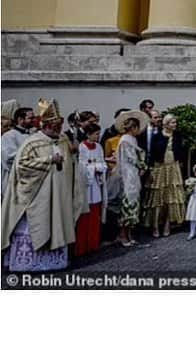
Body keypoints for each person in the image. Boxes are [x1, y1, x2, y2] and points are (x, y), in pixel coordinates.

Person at [2, 99, 83, 271]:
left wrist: (73, 151)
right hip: (38, 196)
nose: (58, 131)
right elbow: (21, 165)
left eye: (59, 127)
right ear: (45, 126)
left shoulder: (62, 140)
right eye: (54, 128)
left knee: (57, 223)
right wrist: (48, 160)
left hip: (60, 194)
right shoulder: (32, 142)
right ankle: (29, 263)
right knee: (38, 226)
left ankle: (55, 261)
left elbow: (71, 162)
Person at [109, 111, 148, 248]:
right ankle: (122, 234)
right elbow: (131, 158)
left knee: (133, 203)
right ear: (133, 128)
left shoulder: (132, 139)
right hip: (127, 174)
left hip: (133, 173)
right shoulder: (125, 140)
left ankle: (129, 233)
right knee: (127, 205)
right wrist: (142, 164)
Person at [143, 113, 186, 238]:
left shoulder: (177, 135)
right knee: (158, 197)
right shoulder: (157, 136)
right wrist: (150, 169)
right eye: (173, 122)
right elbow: (152, 153)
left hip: (173, 167)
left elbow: (181, 151)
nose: (175, 125)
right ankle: (155, 225)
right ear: (166, 124)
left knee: (171, 196)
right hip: (160, 167)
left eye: (175, 122)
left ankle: (167, 223)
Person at [75, 123, 107, 257]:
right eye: (96, 134)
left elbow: (102, 162)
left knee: (95, 212)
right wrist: (93, 167)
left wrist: (100, 167)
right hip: (86, 184)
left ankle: (93, 244)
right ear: (88, 134)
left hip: (96, 183)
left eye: (99, 133)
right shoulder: (81, 147)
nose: (98, 136)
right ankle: (82, 246)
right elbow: (81, 165)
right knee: (85, 215)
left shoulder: (99, 146)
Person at [1, 106, 35, 193]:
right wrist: (33, 158)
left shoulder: (32, 134)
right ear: (20, 119)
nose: (34, 120)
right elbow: (9, 158)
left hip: (31, 179)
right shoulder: (9, 136)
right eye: (31, 118)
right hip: (15, 179)